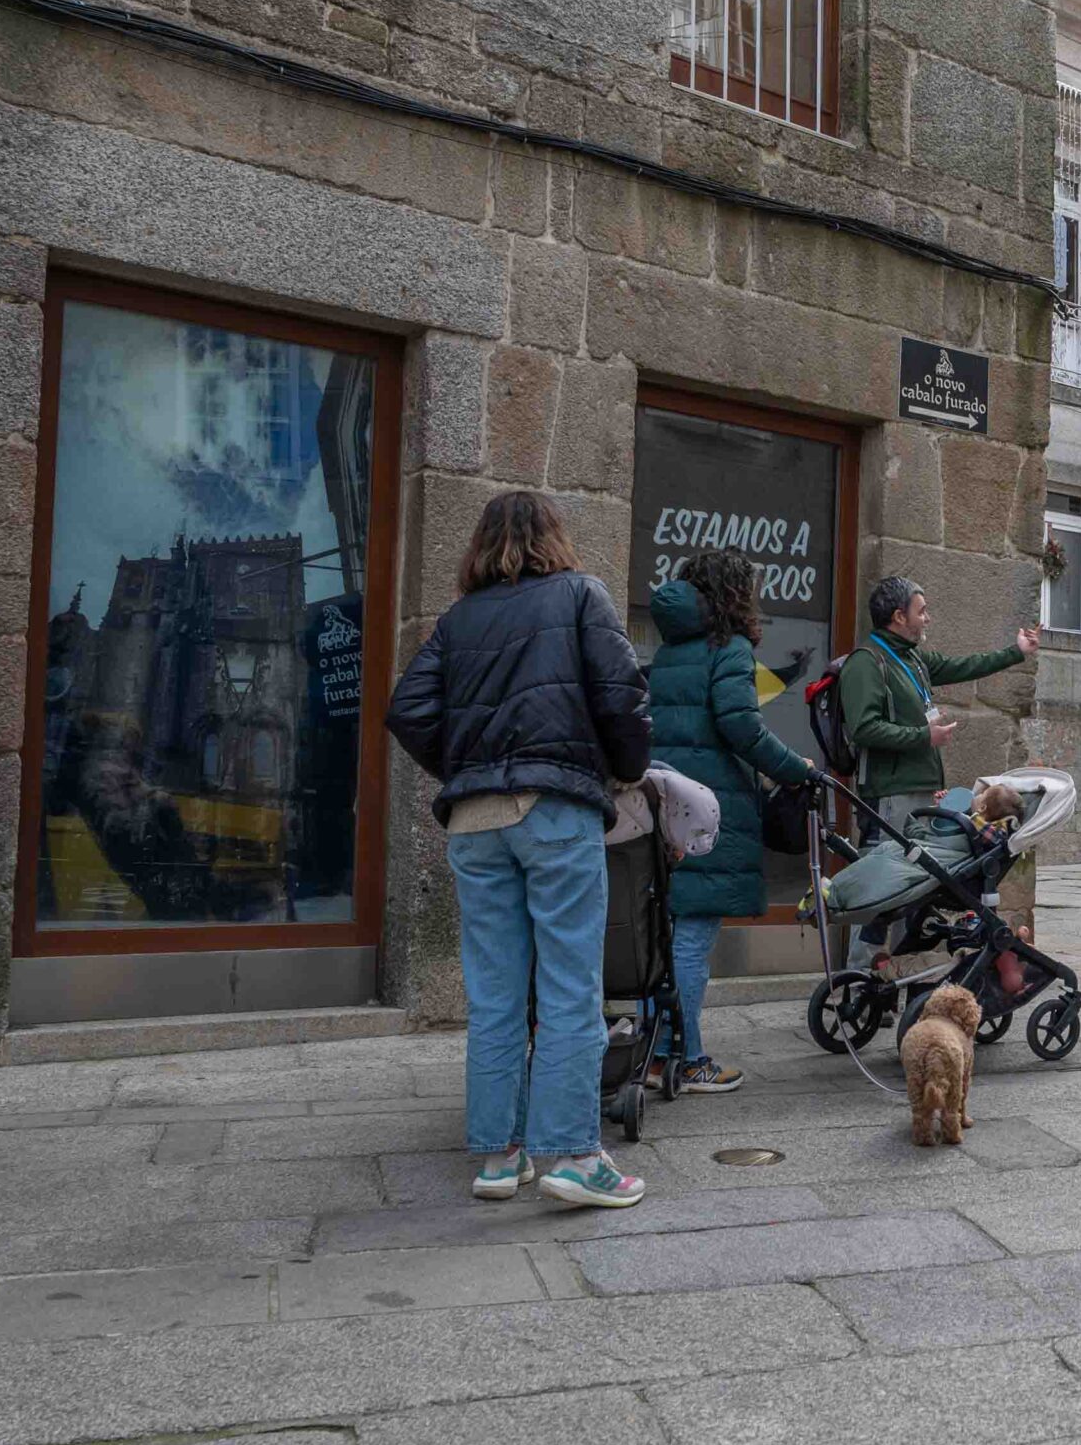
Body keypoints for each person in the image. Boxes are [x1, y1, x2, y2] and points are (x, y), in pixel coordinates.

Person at [387, 490, 653, 1209]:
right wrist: (626, 767)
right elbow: (623, 692)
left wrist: (466, 768)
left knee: (496, 994)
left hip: (475, 818)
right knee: (570, 985)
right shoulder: (579, 594)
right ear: (553, 537)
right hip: (555, 808)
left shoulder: (458, 619)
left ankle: (499, 1157)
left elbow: (405, 708)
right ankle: (570, 1153)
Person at [646, 551, 822, 1092]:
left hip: (665, 804)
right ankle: (685, 1057)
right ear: (734, 595)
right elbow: (741, 726)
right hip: (707, 811)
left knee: (666, 934)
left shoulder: (670, 650)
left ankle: (654, 1053)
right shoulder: (731, 648)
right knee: (692, 939)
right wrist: (798, 769)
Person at [837, 575, 1038, 969]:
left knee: (906, 891)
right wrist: (922, 736)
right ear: (898, 616)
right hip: (890, 793)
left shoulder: (911, 658)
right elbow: (863, 727)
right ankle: (855, 983)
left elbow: (961, 666)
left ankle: (878, 983)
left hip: (919, 792)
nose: (927, 618)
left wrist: (1015, 652)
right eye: (921, 610)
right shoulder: (867, 662)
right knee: (881, 892)